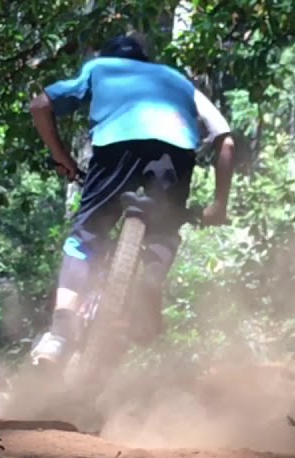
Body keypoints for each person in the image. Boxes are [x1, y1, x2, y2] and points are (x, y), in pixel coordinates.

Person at [27, 34, 236, 367]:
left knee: (84, 239)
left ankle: (59, 335)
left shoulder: (100, 68)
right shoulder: (177, 80)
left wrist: (62, 156)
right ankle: (149, 284)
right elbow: (226, 141)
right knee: (164, 231)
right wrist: (219, 205)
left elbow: (40, 105)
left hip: (116, 148)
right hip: (176, 152)